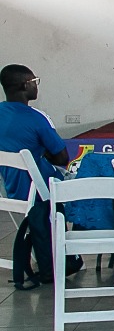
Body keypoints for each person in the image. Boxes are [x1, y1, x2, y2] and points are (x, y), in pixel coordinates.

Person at [0, 64, 72, 284]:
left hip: (11, 188)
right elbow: (62, 158)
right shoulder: (36, 118)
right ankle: (74, 253)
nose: (36, 85)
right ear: (25, 85)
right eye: (34, 81)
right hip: (40, 190)